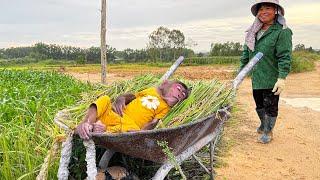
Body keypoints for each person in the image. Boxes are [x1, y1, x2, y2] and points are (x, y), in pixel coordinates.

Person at [240, 0, 292, 143]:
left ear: (275, 10)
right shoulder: (253, 31)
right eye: (261, 9)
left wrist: (282, 77)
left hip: (271, 76)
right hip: (257, 76)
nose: (263, 12)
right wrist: (241, 71)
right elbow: (246, 52)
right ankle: (264, 124)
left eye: (267, 8)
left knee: (270, 105)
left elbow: (285, 56)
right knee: (259, 104)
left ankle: (268, 132)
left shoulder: (282, 31)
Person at [76, 80, 190, 139]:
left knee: (130, 129)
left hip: (128, 124)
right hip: (116, 113)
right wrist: (121, 98)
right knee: (104, 99)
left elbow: (153, 123)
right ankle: (87, 124)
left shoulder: (165, 108)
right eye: (178, 89)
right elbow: (132, 96)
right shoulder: (152, 91)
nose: (180, 93)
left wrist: (141, 133)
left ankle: (102, 129)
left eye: (182, 95)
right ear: (166, 84)